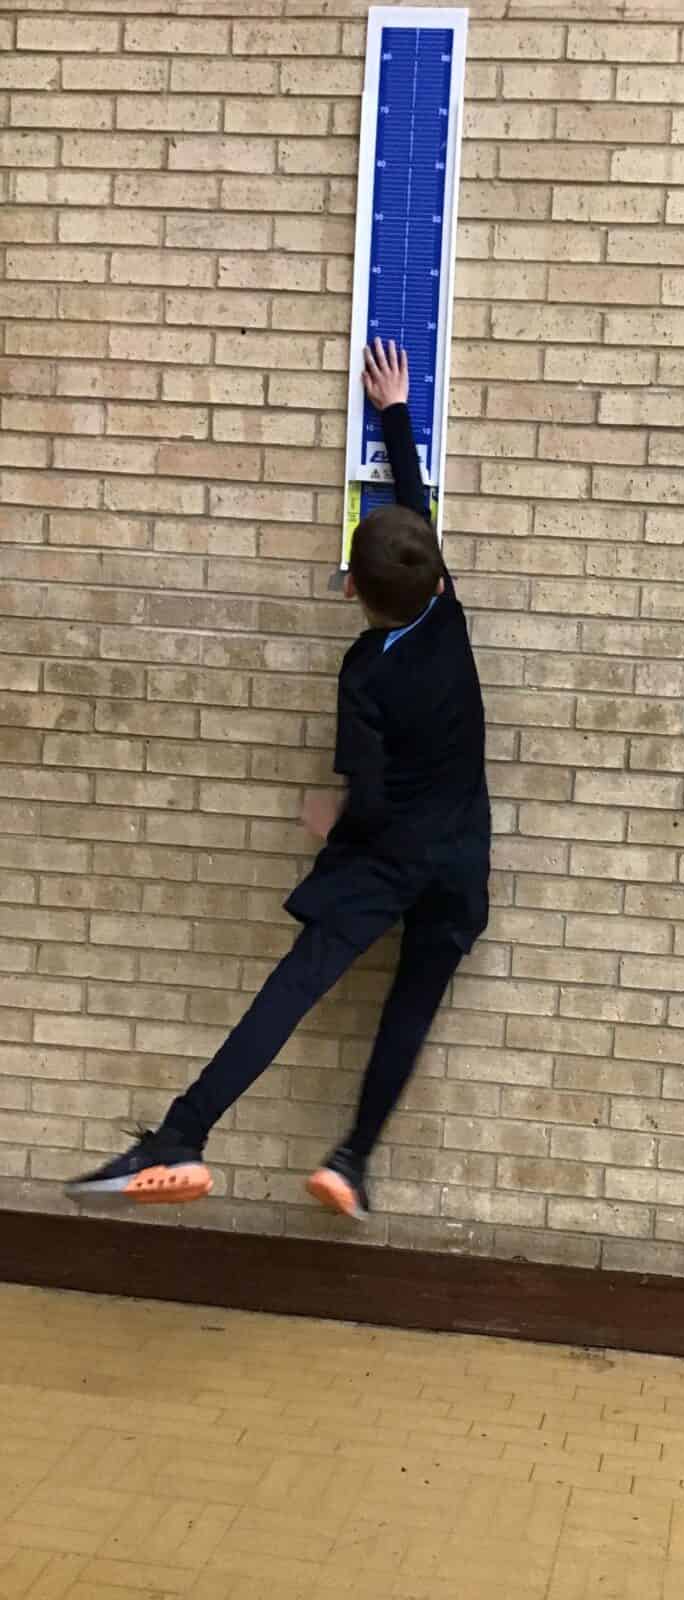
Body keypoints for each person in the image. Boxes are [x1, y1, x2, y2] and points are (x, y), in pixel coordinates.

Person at [66, 339, 490, 1220]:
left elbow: (371, 796)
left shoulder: (365, 672)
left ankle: (180, 1137)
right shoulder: (446, 613)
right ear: (429, 575)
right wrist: (396, 414)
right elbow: (414, 516)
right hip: (459, 860)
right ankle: (353, 1161)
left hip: (388, 856)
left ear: (351, 591)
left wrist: (331, 820)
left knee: (295, 985)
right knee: (411, 1003)